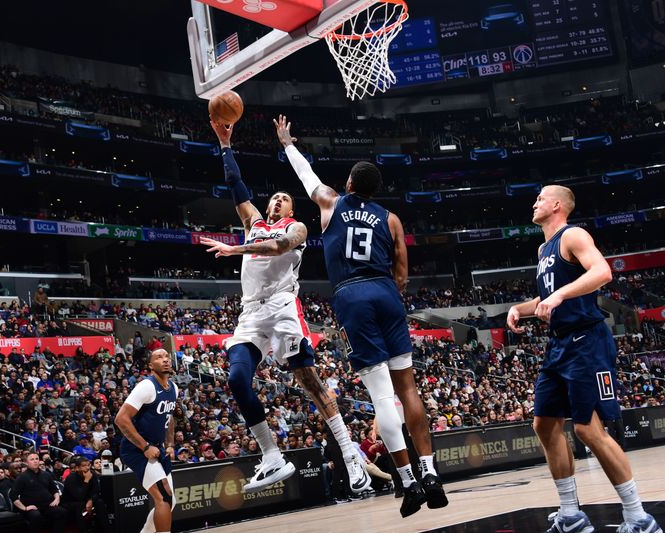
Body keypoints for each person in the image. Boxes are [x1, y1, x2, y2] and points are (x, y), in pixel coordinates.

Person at [273, 115, 447, 518]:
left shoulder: (332, 202)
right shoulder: (391, 218)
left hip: (353, 295)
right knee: (409, 389)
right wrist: (390, 290)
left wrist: (287, 143)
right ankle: (431, 471)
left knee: (381, 395)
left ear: (350, 184)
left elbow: (305, 175)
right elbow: (403, 270)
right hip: (386, 293)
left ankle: (407, 480)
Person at [198, 119, 370, 495]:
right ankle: (272, 455)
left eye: (284, 198)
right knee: (236, 380)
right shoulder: (253, 223)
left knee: (309, 382)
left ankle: (352, 458)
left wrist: (234, 248)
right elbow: (235, 185)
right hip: (250, 313)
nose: (277, 200)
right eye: (274, 197)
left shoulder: (298, 229)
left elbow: (277, 249)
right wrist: (225, 144)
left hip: (282, 308)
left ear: (291, 207)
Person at [506, 185, 662, 533]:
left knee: (588, 429)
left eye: (541, 198)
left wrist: (559, 295)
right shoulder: (544, 248)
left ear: (558, 205)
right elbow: (546, 297)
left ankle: (639, 518)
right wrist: (520, 308)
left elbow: (602, 272)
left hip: (587, 341)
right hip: (558, 345)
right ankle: (570, 514)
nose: (535, 202)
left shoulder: (572, 235)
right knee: (543, 425)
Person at [114, 349, 177, 533]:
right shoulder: (146, 386)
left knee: (170, 501)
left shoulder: (173, 387)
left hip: (157, 448)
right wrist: (145, 446)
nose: (165, 360)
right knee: (163, 497)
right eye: (159, 358)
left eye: (166, 357)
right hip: (137, 448)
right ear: (150, 366)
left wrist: (170, 444)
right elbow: (121, 418)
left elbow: (169, 417)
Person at [9, 452, 67, 533]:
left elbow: (54, 490)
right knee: (36, 516)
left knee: (61, 512)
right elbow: (12, 495)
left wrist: (56, 499)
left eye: (36, 459)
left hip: (47, 506)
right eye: (32, 459)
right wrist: (24, 508)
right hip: (31, 508)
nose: (35, 461)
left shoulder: (46, 474)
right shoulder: (22, 477)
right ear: (27, 462)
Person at [62, 456, 104, 533]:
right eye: (84, 466)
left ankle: (104, 529)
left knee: (99, 502)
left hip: (86, 500)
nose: (87, 468)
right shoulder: (71, 478)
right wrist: (86, 480)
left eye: (88, 465)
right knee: (79, 505)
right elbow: (78, 496)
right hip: (70, 503)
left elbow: (96, 491)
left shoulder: (92, 474)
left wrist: (91, 500)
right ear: (77, 468)